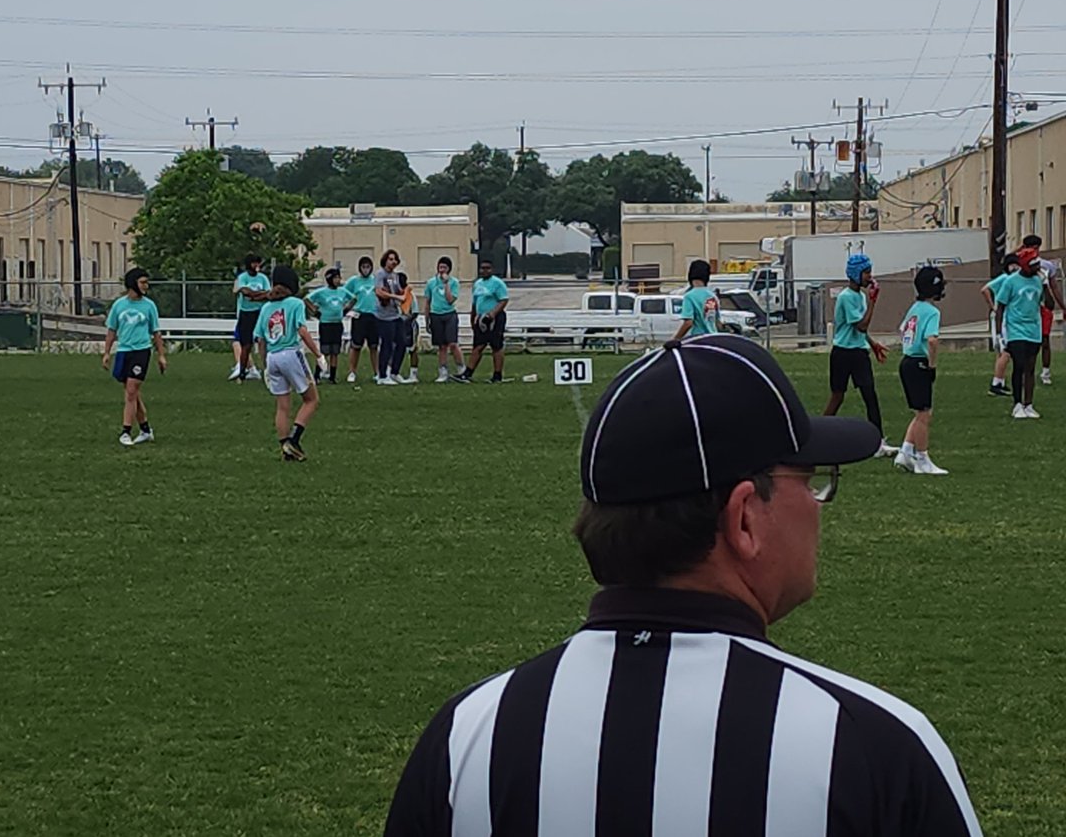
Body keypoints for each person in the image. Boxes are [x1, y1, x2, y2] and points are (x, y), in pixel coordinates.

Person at [385, 334, 982, 837]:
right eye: (811, 480)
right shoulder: (873, 746)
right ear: (744, 517)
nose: (820, 504)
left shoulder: (469, 737)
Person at [823, 253, 896, 457]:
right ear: (855, 274)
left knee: (870, 395)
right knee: (837, 396)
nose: (869, 277)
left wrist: (872, 345)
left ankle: (878, 442)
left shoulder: (860, 296)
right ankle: (818, 434)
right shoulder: (846, 297)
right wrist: (873, 302)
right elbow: (861, 325)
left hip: (858, 352)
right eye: (866, 272)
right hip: (843, 353)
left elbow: (860, 332)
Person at [254, 265, 326, 461]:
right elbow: (302, 331)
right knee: (311, 399)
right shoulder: (295, 304)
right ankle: (293, 441)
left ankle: (284, 448)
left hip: (272, 357)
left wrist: (265, 366)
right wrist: (318, 354)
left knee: (282, 406)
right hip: (291, 353)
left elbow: (260, 340)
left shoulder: (266, 308)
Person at [102, 268, 167, 447]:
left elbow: (156, 332)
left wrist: (161, 355)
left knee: (131, 390)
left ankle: (125, 431)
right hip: (124, 351)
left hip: (142, 351)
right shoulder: (119, 305)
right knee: (133, 394)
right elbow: (111, 330)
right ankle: (145, 430)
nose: (146, 286)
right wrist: (107, 352)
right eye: (143, 282)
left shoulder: (149, 306)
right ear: (133, 284)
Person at [895, 267, 948, 475]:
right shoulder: (933, 311)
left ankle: (906, 450)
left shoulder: (914, 307)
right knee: (924, 414)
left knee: (920, 412)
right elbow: (932, 340)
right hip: (918, 362)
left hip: (906, 361)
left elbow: (902, 329)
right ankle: (922, 458)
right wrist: (932, 365)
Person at [996, 247, 1045, 419]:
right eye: (1033, 264)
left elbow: (1045, 303)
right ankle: (1017, 404)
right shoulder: (1011, 282)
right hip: (1016, 329)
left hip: (1034, 329)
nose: (1037, 267)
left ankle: (1029, 404)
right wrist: (999, 334)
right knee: (1019, 365)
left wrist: (1046, 283)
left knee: (1030, 367)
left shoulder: (1038, 281)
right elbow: (1000, 307)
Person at [455, 259, 509, 383]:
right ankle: (467, 373)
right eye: (482, 268)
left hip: (494, 318)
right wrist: (472, 318)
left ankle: (497, 375)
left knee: (497, 346)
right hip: (480, 319)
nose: (484, 271)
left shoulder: (497, 283)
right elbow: (475, 303)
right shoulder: (478, 284)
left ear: (492, 270)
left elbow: (504, 300)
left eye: (487, 268)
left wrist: (493, 314)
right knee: (478, 346)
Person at [1021, 235, 1064, 386]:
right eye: (1030, 247)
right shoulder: (1021, 265)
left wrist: (1063, 306)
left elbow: (1054, 287)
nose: (1034, 250)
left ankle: (1046, 371)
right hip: (1028, 306)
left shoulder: (1046, 266)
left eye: (1036, 247)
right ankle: (1025, 369)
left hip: (1044, 306)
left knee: (1045, 339)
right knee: (1027, 341)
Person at [306, 267, 355, 385]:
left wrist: (346, 310)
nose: (338, 280)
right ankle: (317, 373)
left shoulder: (342, 291)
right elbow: (307, 299)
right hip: (325, 324)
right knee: (325, 351)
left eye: (339, 278)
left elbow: (353, 298)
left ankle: (332, 376)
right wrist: (315, 312)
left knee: (335, 351)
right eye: (336, 278)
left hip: (337, 324)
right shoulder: (322, 292)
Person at [981, 252, 1019, 397]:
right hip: (1000, 318)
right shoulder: (1004, 278)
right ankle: (996, 383)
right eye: (1012, 264)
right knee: (1006, 351)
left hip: (1006, 317)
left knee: (1001, 352)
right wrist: (993, 306)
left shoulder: (1013, 279)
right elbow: (985, 289)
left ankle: (1000, 381)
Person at [423, 256, 466, 383]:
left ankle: (461, 369)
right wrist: (427, 320)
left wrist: (446, 283)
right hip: (435, 315)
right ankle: (443, 371)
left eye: (445, 268)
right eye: (440, 267)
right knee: (441, 346)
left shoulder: (454, 282)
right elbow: (427, 302)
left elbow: (450, 299)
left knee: (452, 343)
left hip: (449, 314)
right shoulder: (431, 283)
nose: (442, 270)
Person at [374, 249, 413, 386]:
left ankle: (394, 372)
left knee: (402, 343)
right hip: (384, 316)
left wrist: (405, 292)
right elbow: (379, 292)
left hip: (395, 314)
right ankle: (382, 375)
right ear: (385, 260)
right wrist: (396, 297)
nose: (393, 262)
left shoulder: (395, 276)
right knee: (387, 345)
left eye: (395, 259)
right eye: (390, 259)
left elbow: (397, 291)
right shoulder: (380, 274)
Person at [231, 254, 270, 382]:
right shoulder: (242, 277)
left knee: (263, 342)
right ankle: (242, 371)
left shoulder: (263, 278)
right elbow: (245, 292)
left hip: (260, 313)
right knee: (246, 345)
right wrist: (256, 295)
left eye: (258, 263)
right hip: (246, 313)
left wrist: (255, 297)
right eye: (254, 263)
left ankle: (268, 371)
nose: (257, 266)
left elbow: (268, 294)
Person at [345, 256, 380, 384]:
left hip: (373, 316)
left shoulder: (375, 280)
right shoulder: (354, 281)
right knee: (356, 346)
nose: (366, 269)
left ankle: (377, 372)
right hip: (359, 316)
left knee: (374, 346)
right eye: (363, 267)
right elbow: (345, 294)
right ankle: (352, 371)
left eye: (368, 267)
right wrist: (348, 308)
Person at [673, 259, 722, 340]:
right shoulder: (713, 296)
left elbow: (688, 323)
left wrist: (675, 338)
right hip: (713, 338)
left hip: (698, 339)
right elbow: (718, 323)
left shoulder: (689, 296)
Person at [398, 272, 421, 381]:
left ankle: (413, 374)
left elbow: (415, 312)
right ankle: (392, 372)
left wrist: (406, 321)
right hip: (396, 325)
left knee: (412, 349)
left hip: (409, 325)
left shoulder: (410, 295)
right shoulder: (393, 294)